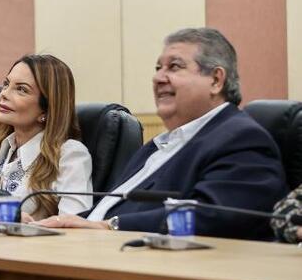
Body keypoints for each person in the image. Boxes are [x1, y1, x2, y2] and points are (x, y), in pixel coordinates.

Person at [39, 27, 287, 240]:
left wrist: (110, 226)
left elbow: (213, 216)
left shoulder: (241, 139)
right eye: (158, 68)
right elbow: (111, 212)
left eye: (174, 67)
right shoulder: (159, 145)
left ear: (216, 80)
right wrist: (54, 225)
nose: (158, 78)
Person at [0, 54, 92, 221]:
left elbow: (74, 226)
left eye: (21, 89)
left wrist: (30, 226)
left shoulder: (69, 154)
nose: (4, 94)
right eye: (6, 84)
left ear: (47, 109)